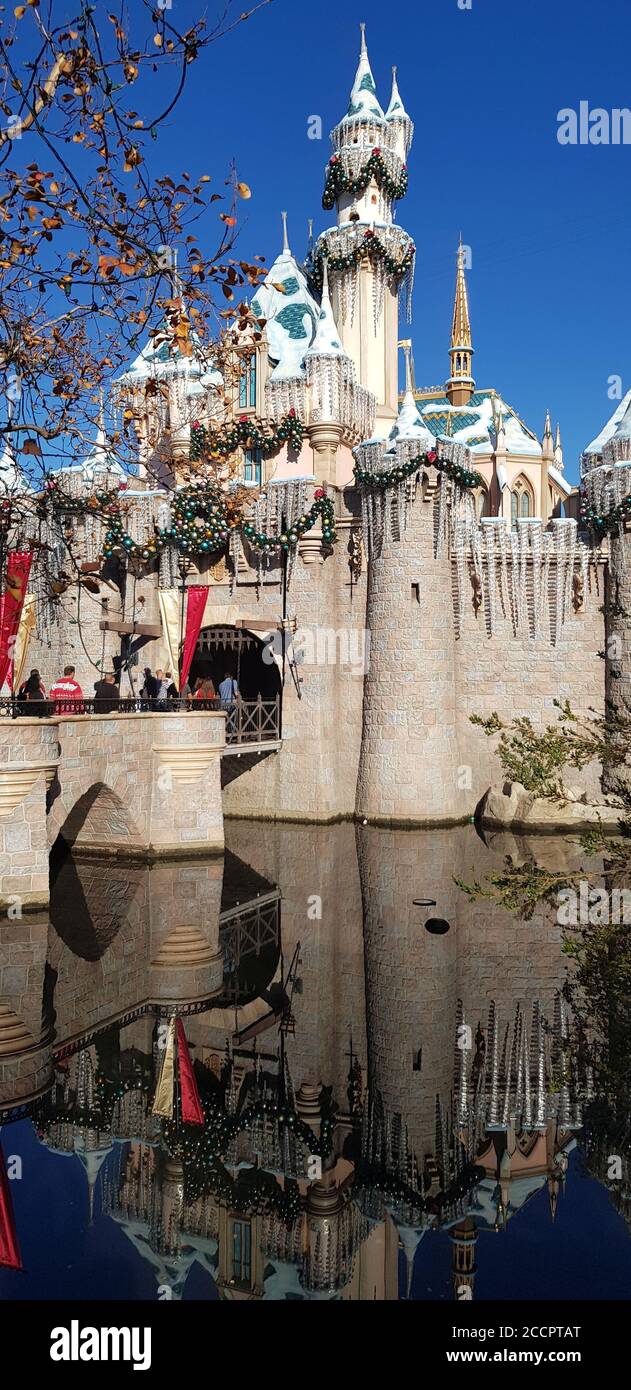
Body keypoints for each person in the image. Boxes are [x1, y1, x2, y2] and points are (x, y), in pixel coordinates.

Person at [218, 670, 240, 736]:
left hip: (223, 705)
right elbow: (236, 694)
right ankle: (236, 729)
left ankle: (228, 729)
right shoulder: (234, 681)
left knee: (228, 718)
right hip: (231, 704)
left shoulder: (220, 684)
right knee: (242, 706)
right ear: (231, 677)